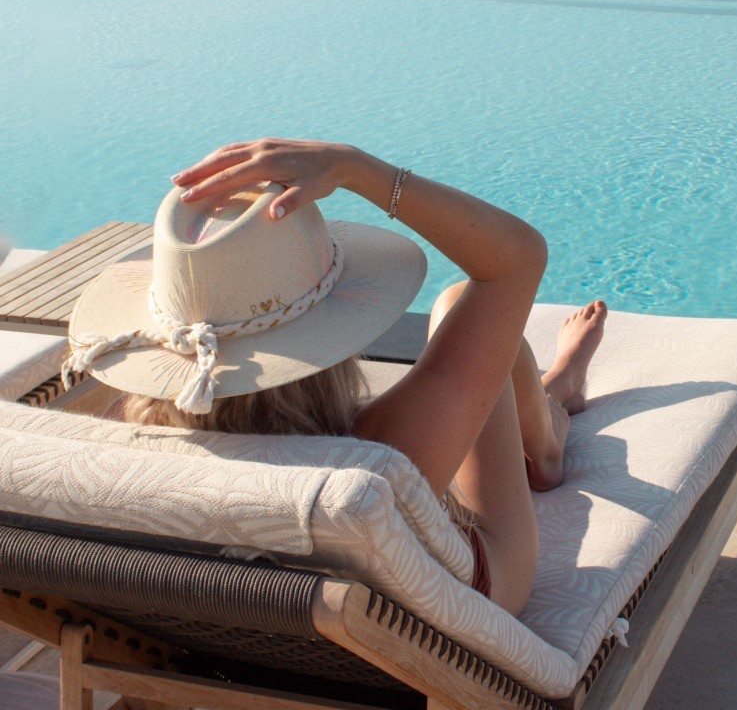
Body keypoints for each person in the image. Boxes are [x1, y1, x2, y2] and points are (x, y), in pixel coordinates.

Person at [62, 138, 606, 615]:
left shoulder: (126, 464)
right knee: (464, 306)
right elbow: (516, 259)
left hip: (283, 640)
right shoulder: (378, 462)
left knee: (476, 355)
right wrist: (355, 167)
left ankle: (552, 395)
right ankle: (550, 432)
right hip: (457, 604)